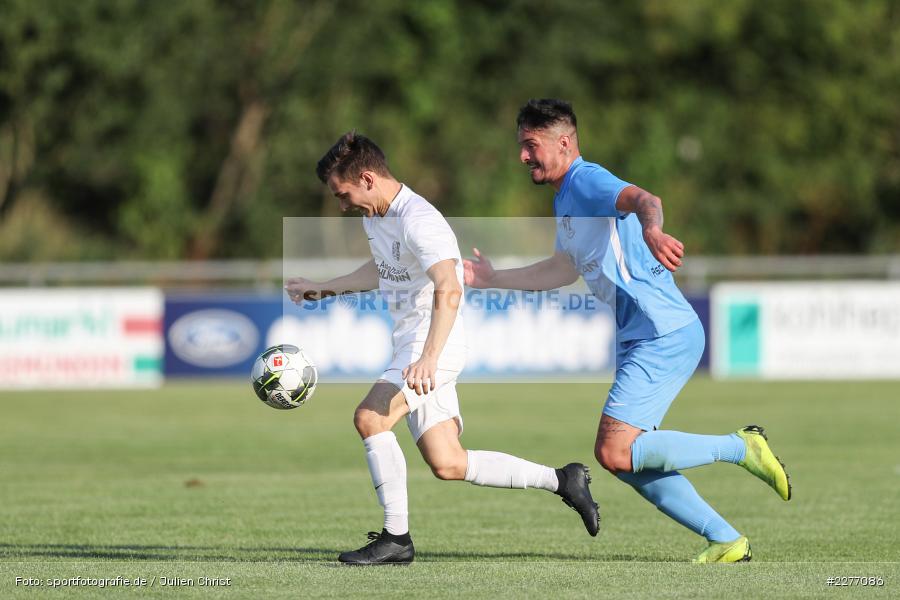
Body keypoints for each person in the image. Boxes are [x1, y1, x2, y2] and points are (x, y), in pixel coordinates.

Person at [464, 99, 791, 563]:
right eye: (520, 146)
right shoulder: (565, 197)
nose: (522, 157)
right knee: (625, 458)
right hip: (647, 334)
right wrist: (494, 279)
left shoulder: (586, 179)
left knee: (615, 450)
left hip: (661, 331)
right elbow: (561, 269)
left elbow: (645, 200)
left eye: (530, 145)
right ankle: (725, 539)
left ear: (563, 142)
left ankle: (742, 447)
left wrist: (653, 231)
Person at [285, 131, 599, 566]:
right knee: (448, 461)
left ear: (369, 179)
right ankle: (563, 480)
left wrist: (429, 357)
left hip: (433, 345)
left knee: (370, 418)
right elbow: (381, 268)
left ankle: (396, 539)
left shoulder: (419, 219)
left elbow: (449, 286)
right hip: (416, 346)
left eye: (344, 194)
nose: (342, 205)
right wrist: (324, 288)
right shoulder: (378, 216)